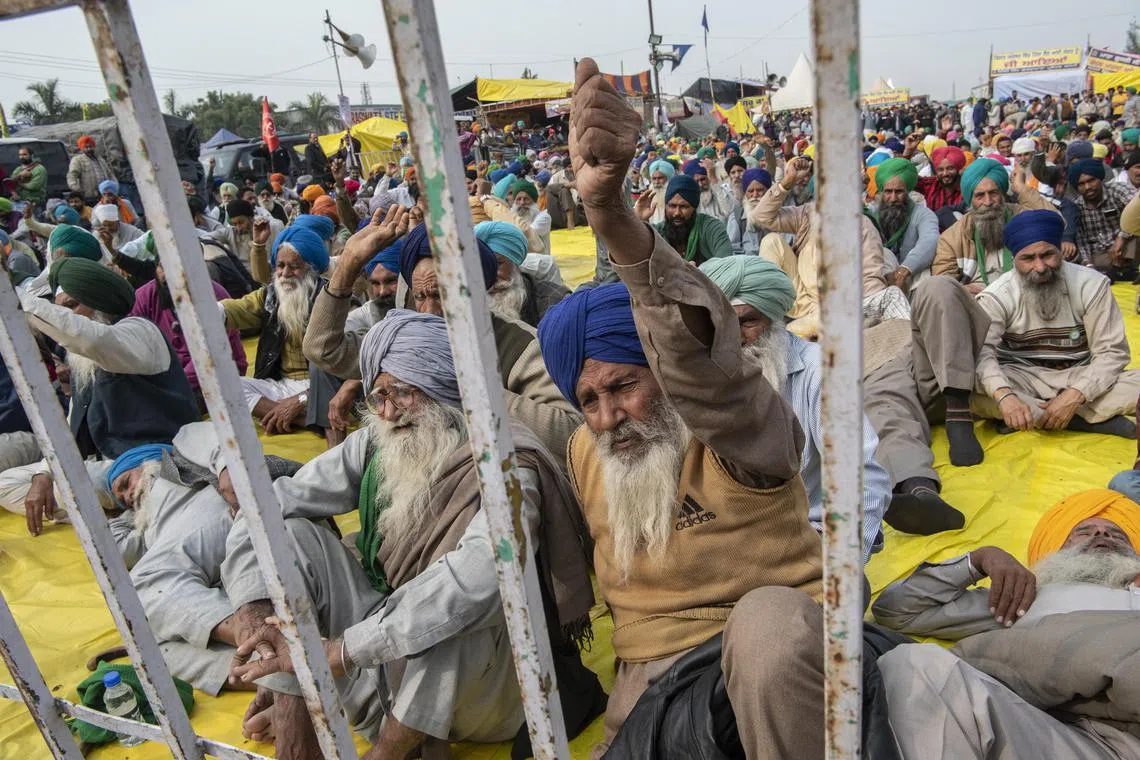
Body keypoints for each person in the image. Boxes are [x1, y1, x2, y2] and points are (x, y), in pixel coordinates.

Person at [539, 59, 829, 758]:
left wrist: (611, 219)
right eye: (590, 399)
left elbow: (703, 361)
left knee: (765, 629)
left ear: (664, 376)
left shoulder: (740, 430)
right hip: (650, 685)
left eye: (623, 386)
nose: (609, 417)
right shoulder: (586, 446)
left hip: (772, 662)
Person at [219, 310, 604, 759]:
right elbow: (267, 509)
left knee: (465, 596)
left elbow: (480, 576)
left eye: (402, 392)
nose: (386, 412)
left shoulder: (509, 464)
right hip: (382, 663)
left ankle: (391, 750)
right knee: (288, 532)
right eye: (378, 395)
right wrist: (255, 617)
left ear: (444, 387)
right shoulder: (379, 439)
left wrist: (346, 651)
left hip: (486, 690)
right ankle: (296, 716)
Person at [874, 489, 1140, 760]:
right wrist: (978, 560)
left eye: (1117, 534)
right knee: (913, 663)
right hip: (1059, 737)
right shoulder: (1027, 595)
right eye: (1084, 531)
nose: (1102, 535)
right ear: (1058, 548)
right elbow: (897, 610)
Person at [700, 256, 891, 555]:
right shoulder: (703, 373)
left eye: (748, 322)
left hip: (803, 538)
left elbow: (862, 477)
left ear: (775, 319)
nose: (734, 338)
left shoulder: (820, 373)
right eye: (722, 324)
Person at [971, 210, 1140, 438]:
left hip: (1080, 375)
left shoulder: (1091, 285)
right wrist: (1005, 397)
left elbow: (1111, 353)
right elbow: (982, 355)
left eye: (1047, 255)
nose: (1040, 267)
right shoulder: (997, 296)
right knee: (970, 388)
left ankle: (1036, 415)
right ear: (1015, 259)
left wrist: (1075, 395)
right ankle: (1082, 418)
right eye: (1028, 259)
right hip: (1020, 378)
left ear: (1060, 250)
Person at [753, 155, 909, 338]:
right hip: (801, 299)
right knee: (771, 241)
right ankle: (770, 314)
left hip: (837, 307)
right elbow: (761, 217)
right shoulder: (807, 214)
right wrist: (788, 181)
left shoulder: (863, 226)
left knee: (887, 297)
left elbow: (870, 280)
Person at [220, 224, 327, 436]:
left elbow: (343, 374)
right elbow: (236, 308)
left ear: (311, 267)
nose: (285, 273)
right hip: (279, 386)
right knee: (224, 383)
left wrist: (301, 399)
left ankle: (287, 414)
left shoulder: (331, 300)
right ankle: (302, 420)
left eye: (294, 266)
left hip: (320, 389)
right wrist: (207, 308)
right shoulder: (269, 296)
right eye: (280, 266)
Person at [128, 259, 247, 411]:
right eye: (162, 267)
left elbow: (209, 356)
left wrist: (169, 387)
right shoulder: (145, 296)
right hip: (169, 379)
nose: (167, 275)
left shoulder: (215, 295)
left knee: (160, 411)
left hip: (213, 377)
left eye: (176, 268)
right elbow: (132, 337)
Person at [930, 158, 1056, 290]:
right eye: (980, 196)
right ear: (970, 200)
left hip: (1023, 293)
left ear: (1002, 194)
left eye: (993, 193)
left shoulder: (1021, 216)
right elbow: (943, 283)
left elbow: (1055, 224)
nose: (988, 202)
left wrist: (1022, 188)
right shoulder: (952, 238)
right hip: (976, 301)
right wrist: (967, 292)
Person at [476, 220, 568, 327]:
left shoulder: (553, 300)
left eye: (498, 264)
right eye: (480, 266)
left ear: (515, 264)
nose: (489, 275)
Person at [870, 158, 940, 290]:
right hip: (877, 276)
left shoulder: (924, 214)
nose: (893, 198)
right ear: (881, 191)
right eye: (888, 192)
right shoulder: (871, 213)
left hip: (911, 277)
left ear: (907, 191)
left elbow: (930, 241)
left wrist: (905, 269)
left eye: (899, 192)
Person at [633, 174, 732, 265]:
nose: (677, 213)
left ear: (694, 207)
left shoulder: (711, 227)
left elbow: (726, 264)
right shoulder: (658, 231)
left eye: (684, 206)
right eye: (672, 206)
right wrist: (639, 222)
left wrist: (697, 273)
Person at [1069, 158, 1136, 275]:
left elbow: (1137, 211)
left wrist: (1122, 237)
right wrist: (1088, 265)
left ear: (1100, 178)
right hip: (1102, 255)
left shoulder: (1118, 190)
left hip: (1128, 244)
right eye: (1081, 184)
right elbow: (1082, 241)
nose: (1088, 187)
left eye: (1091, 180)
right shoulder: (1077, 207)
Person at [727, 167, 773, 255]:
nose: (755, 195)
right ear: (745, 193)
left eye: (760, 190)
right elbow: (732, 249)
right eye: (750, 191)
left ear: (768, 191)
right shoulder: (736, 217)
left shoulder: (780, 213)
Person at [915, 144, 966, 213]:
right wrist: (908, 151)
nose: (945, 173)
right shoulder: (931, 185)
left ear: (958, 168)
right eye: (940, 170)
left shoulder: (966, 189)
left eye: (950, 168)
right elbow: (906, 178)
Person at [67, 135, 114, 205]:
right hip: (89, 198)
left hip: (105, 196)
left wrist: (114, 188)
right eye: (86, 147)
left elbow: (110, 174)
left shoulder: (100, 160)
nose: (89, 149)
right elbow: (72, 176)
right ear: (82, 148)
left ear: (94, 147)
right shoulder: (77, 160)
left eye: (90, 146)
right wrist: (79, 192)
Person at [682, 160, 733, 224]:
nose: (700, 184)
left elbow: (729, 211)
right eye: (696, 181)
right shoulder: (688, 199)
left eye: (703, 179)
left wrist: (713, 178)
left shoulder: (721, 190)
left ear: (708, 178)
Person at [11, 146, 47, 210]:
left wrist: (18, 183)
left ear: (31, 155)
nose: (22, 157)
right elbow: (10, 182)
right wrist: (20, 175)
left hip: (34, 204)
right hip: (19, 203)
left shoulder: (39, 169)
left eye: (24, 154)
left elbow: (33, 186)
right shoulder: (19, 169)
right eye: (20, 155)